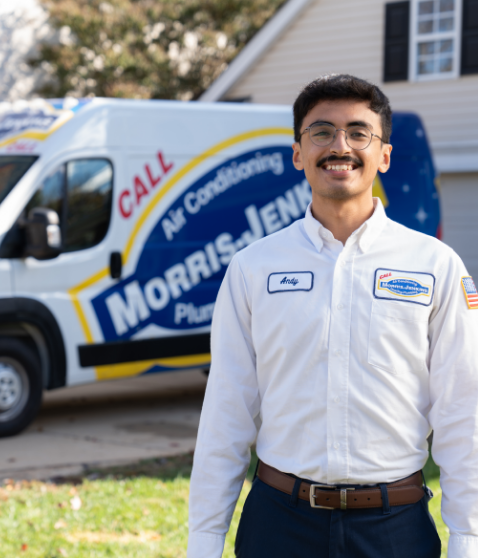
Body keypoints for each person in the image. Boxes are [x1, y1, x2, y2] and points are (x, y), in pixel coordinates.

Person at [187, 74, 478, 558]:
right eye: (321, 131)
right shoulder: (253, 268)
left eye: (358, 132)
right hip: (278, 525)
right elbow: (227, 409)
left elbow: (463, 412)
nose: (339, 146)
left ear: (383, 154)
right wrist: (203, 539)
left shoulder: (436, 266)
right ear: (298, 153)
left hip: (395, 528)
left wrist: (469, 538)